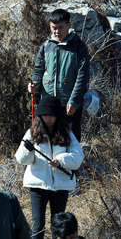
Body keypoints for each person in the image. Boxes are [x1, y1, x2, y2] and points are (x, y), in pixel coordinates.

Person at [15, 95, 84, 239]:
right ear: (40, 116)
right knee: (38, 226)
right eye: (45, 115)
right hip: (38, 186)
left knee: (57, 227)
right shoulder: (32, 133)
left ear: (57, 116)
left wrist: (60, 161)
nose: (48, 119)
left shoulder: (67, 133)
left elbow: (78, 156)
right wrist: (27, 150)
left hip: (60, 186)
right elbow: (21, 159)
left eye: (52, 115)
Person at [28, 9, 91, 142]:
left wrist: (74, 101)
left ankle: (69, 163)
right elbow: (38, 69)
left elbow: (82, 77)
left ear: (69, 25)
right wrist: (34, 84)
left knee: (70, 139)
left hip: (69, 105)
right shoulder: (46, 46)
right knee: (46, 139)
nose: (57, 32)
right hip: (48, 103)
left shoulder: (79, 47)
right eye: (53, 28)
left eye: (60, 27)